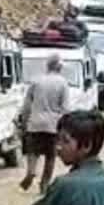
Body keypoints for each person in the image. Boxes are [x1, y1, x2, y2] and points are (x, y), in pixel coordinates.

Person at [19, 53, 71, 193]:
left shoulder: (36, 81)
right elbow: (65, 108)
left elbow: (27, 105)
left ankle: (31, 172)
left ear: (47, 66)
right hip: (53, 126)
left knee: (33, 152)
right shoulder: (63, 83)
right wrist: (64, 127)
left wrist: (24, 122)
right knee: (50, 156)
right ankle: (44, 184)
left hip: (35, 123)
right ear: (59, 67)